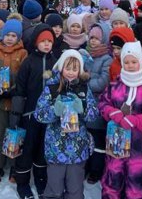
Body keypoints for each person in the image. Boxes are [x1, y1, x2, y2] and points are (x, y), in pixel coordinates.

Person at [33, 50, 98, 199]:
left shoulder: (84, 88)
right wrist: (54, 111)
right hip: (56, 149)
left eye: (75, 69)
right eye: (68, 68)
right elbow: (39, 114)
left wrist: (83, 110)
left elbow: (94, 114)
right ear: (61, 67)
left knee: (75, 189)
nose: (71, 72)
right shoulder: (51, 88)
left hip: (78, 149)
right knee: (55, 188)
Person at [98, 40, 142, 199]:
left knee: (136, 182)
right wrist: (112, 113)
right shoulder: (114, 85)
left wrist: (137, 120)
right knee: (113, 176)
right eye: (127, 62)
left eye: (134, 62)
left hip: (138, 146)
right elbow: (103, 104)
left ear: (140, 63)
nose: (130, 65)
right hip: (115, 143)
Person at [11, 24, 59, 199]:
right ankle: (22, 183)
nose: (47, 44)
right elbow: (20, 90)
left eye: (49, 41)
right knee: (27, 149)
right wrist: (16, 116)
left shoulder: (56, 62)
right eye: (43, 41)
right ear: (36, 42)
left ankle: (41, 180)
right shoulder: (29, 62)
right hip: (29, 115)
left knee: (43, 150)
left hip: (50, 116)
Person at [0, 19, 27, 185]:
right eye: (7, 35)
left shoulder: (22, 54)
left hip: (15, 101)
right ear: (2, 35)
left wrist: (15, 89)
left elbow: (24, 76)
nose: (10, 38)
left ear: (18, 37)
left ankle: (15, 167)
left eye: (13, 35)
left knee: (15, 134)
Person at [85, 24, 112, 185]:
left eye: (96, 38)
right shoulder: (86, 55)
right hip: (86, 103)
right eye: (91, 37)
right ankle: (87, 166)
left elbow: (103, 82)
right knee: (87, 137)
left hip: (98, 103)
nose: (93, 41)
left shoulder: (106, 58)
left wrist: (85, 82)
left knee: (98, 140)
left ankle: (96, 170)